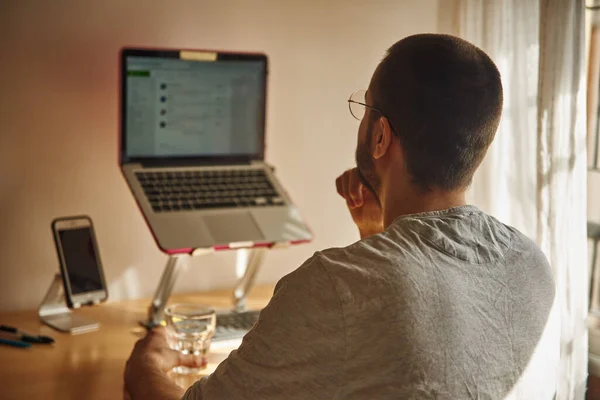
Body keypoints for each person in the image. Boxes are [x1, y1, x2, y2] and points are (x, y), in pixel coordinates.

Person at [124, 33, 559, 400]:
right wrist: (377, 236)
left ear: (381, 136)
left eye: (366, 109)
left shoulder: (337, 286)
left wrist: (147, 362)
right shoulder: (532, 265)